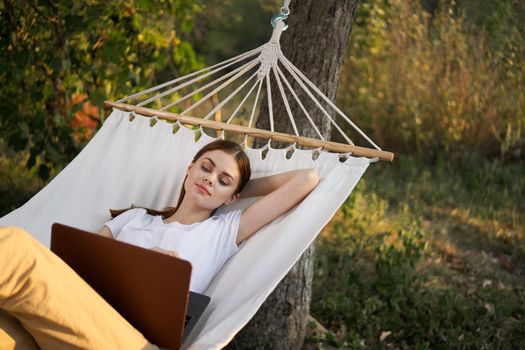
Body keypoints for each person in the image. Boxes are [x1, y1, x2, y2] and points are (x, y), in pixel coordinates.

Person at [0, 139, 319, 349]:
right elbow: (79, 269)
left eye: (223, 180)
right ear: (189, 168)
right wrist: (138, 263)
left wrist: (237, 190)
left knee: (14, 246)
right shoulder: (134, 218)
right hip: (75, 318)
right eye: (206, 167)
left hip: (133, 342)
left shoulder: (222, 232)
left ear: (234, 195)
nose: (210, 178)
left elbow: (305, 180)